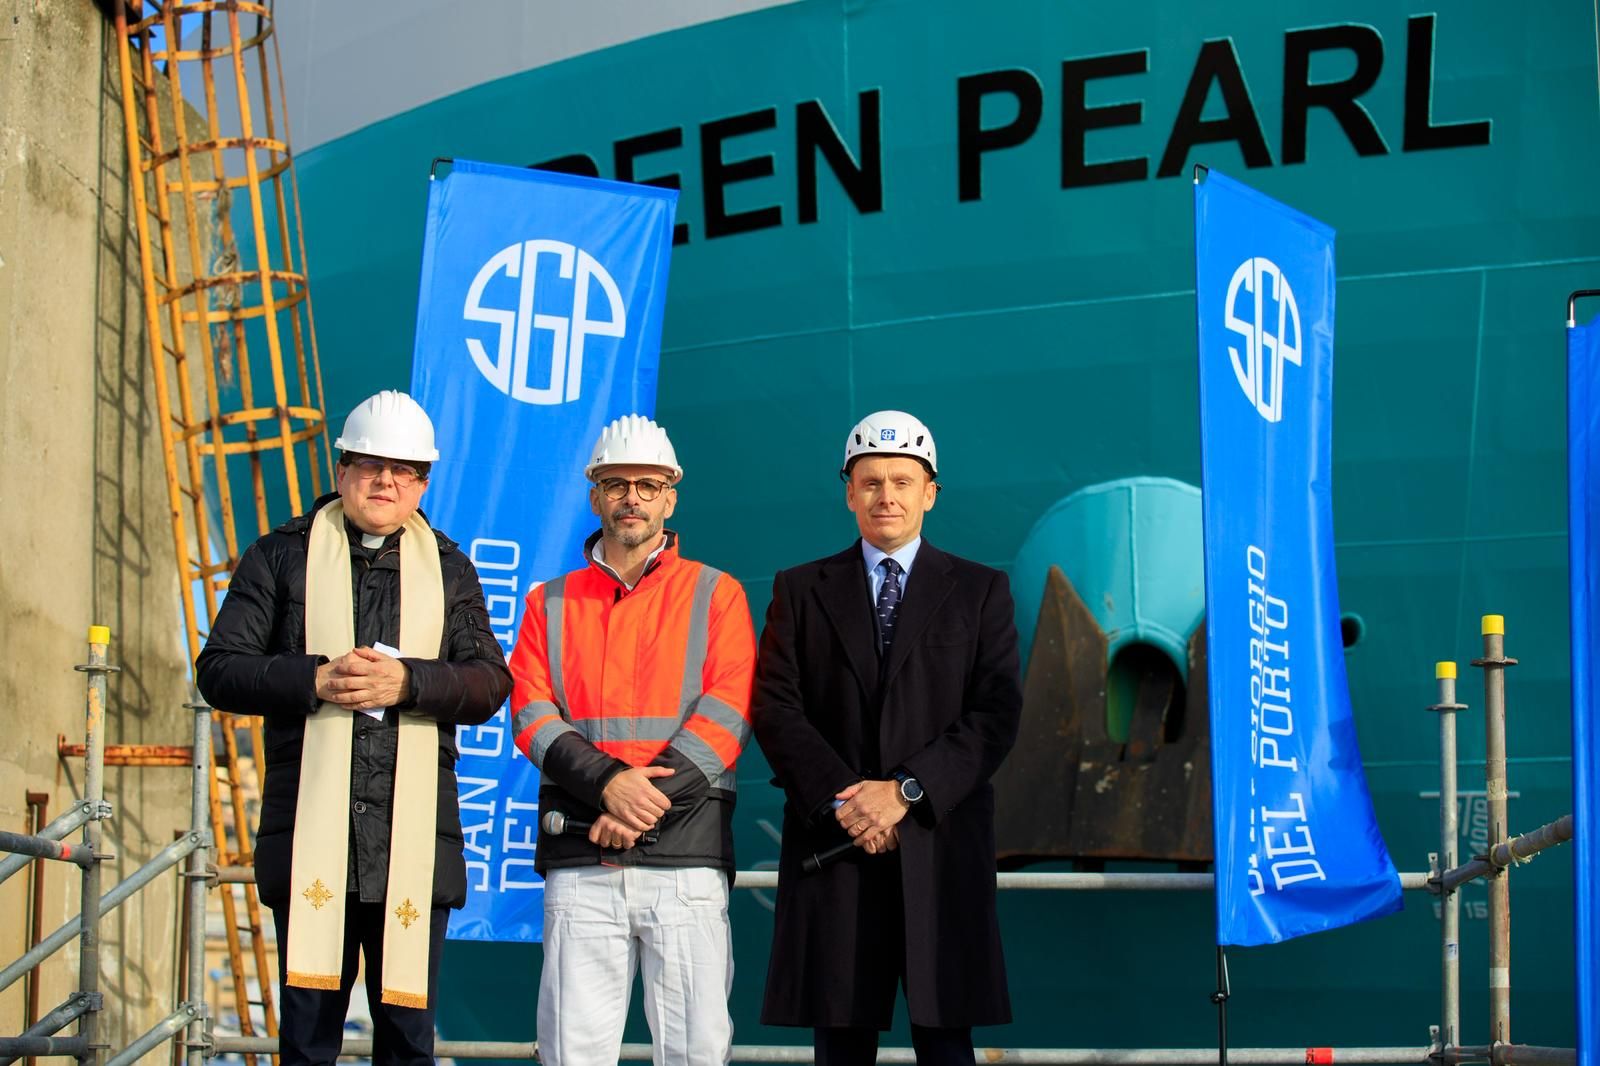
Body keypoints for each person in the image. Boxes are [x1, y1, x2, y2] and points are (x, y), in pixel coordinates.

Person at [196, 389, 512, 1066]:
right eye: (372, 465)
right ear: (342, 470)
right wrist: (313, 680)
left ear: (422, 484)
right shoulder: (279, 556)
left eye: (404, 471)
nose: (386, 482)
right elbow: (219, 669)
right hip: (312, 840)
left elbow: (490, 683)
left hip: (411, 849)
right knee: (307, 1044)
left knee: (407, 1044)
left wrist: (410, 683)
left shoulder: (450, 570)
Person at [751, 409, 1024, 1066]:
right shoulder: (800, 590)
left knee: (947, 1043)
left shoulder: (981, 592)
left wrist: (904, 792)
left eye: (903, 481)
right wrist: (849, 802)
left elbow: (995, 713)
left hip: (939, 844)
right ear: (849, 492)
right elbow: (775, 707)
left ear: (930, 493)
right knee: (840, 1045)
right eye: (871, 482)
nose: (887, 496)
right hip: (837, 845)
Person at [509, 413, 757, 1066]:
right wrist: (609, 787)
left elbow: (729, 713)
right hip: (584, 864)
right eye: (617, 485)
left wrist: (636, 809)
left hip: (683, 863)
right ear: (595, 495)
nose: (632, 499)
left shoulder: (716, 594)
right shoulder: (547, 603)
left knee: (696, 1052)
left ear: (670, 497)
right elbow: (530, 714)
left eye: (648, 486)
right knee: (571, 1053)